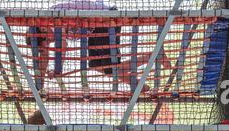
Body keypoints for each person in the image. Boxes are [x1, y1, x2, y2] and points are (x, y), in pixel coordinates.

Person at [26, 0, 171, 91]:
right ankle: (139, 83)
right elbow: (59, 49)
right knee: (97, 67)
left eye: (46, 43)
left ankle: (150, 64)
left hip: (104, 19)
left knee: (110, 69)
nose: (48, 46)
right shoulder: (53, 27)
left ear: (43, 32)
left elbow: (59, 48)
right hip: (95, 27)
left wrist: (55, 70)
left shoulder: (52, 18)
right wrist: (50, 75)